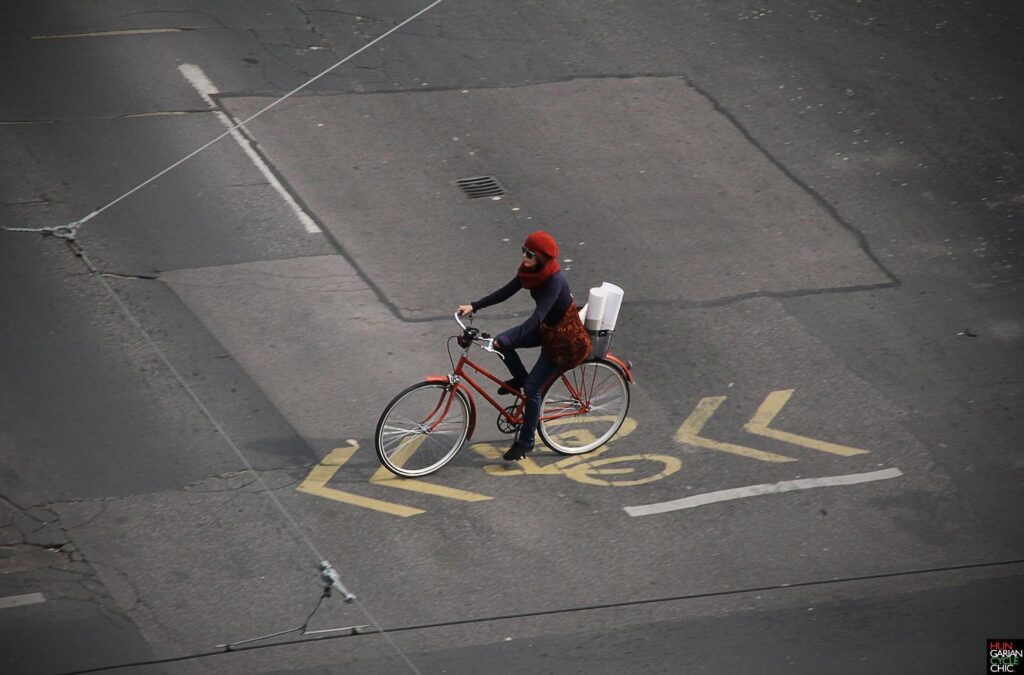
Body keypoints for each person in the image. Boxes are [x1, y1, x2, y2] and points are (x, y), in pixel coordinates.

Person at [457, 231, 583, 461]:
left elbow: (537, 317)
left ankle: (526, 442)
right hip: (547, 329)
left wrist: (509, 336)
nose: (524, 256)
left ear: (542, 259)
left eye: (530, 254)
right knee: (504, 343)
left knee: (534, 388)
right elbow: (506, 291)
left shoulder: (554, 281)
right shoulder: (531, 271)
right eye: (523, 250)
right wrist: (475, 306)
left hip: (562, 339)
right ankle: (521, 379)